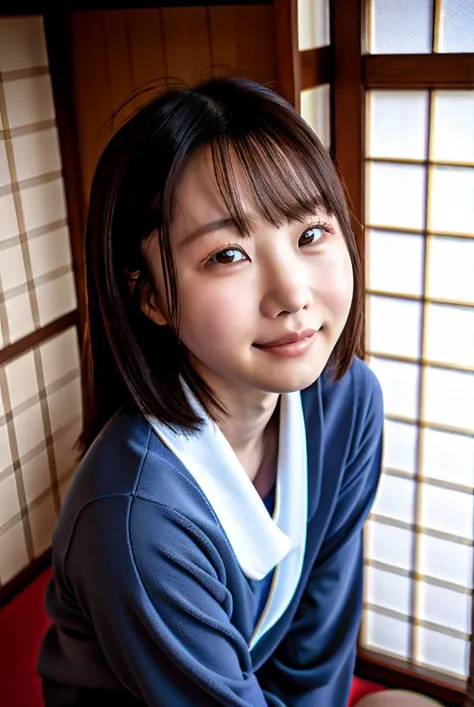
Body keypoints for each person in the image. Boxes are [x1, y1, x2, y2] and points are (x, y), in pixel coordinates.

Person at [37, 75, 384, 706]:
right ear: (151, 296)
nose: (292, 296)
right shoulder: (137, 517)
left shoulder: (345, 398)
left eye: (310, 235)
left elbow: (319, 647)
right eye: (227, 255)